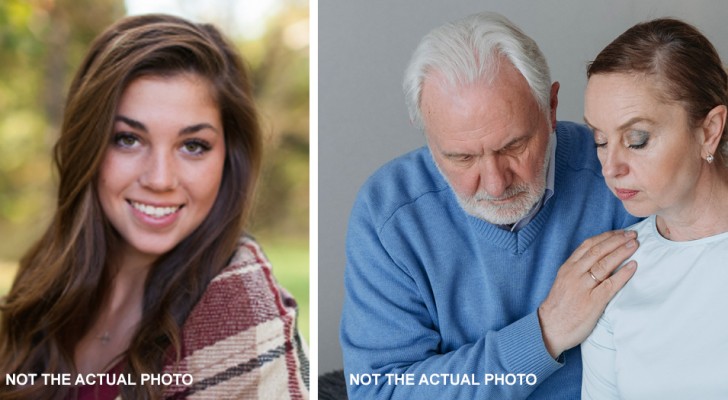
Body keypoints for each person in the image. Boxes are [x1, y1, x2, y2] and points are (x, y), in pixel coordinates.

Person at [0, 14, 309, 399]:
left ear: (229, 160)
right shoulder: (45, 274)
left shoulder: (247, 319)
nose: (160, 179)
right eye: (128, 139)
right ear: (89, 145)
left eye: (192, 145)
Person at [340, 11, 641, 399]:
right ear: (428, 136)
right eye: (462, 158)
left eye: (514, 146)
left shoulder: (619, 175)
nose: (496, 184)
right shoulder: (388, 213)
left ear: (551, 108)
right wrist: (545, 332)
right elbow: (381, 391)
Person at [581, 18, 728, 399]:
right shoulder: (614, 276)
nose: (611, 167)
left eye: (637, 139)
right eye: (599, 140)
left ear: (709, 130)